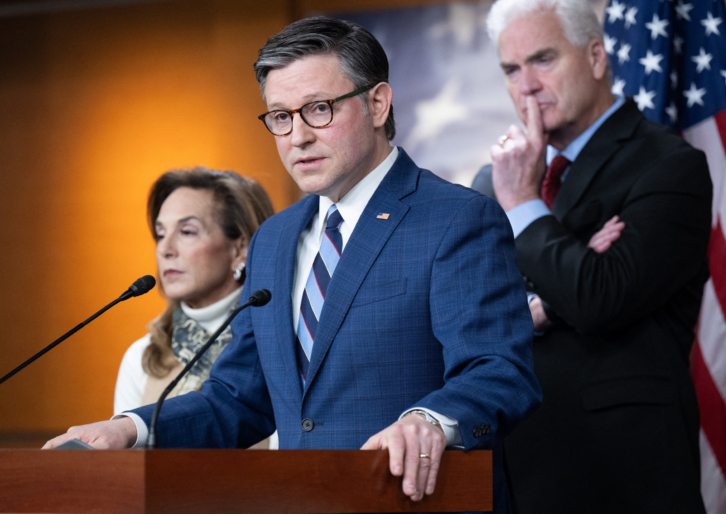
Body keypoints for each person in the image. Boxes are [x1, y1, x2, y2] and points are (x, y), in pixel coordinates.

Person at [44, 16, 541, 511]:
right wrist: (130, 429)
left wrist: (431, 420)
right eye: (280, 117)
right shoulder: (275, 240)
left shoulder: (456, 217)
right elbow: (239, 398)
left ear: (377, 103)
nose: (297, 136)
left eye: (318, 109)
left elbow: (499, 370)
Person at [474, 0, 712, 512]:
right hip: (515, 476)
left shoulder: (669, 165)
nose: (527, 86)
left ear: (597, 57)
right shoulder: (492, 182)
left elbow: (600, 296)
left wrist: (523, 206)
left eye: (542, 60)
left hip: (624, 478)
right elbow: (470, 316)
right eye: (511, 70)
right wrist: (548, 301)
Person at [113, 168, 274, 423]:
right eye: (160, 234)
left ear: (241, 249)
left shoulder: (279, 347)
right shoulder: (143, 357)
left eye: (186, 232)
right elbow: (127, 462)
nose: (164, 249)